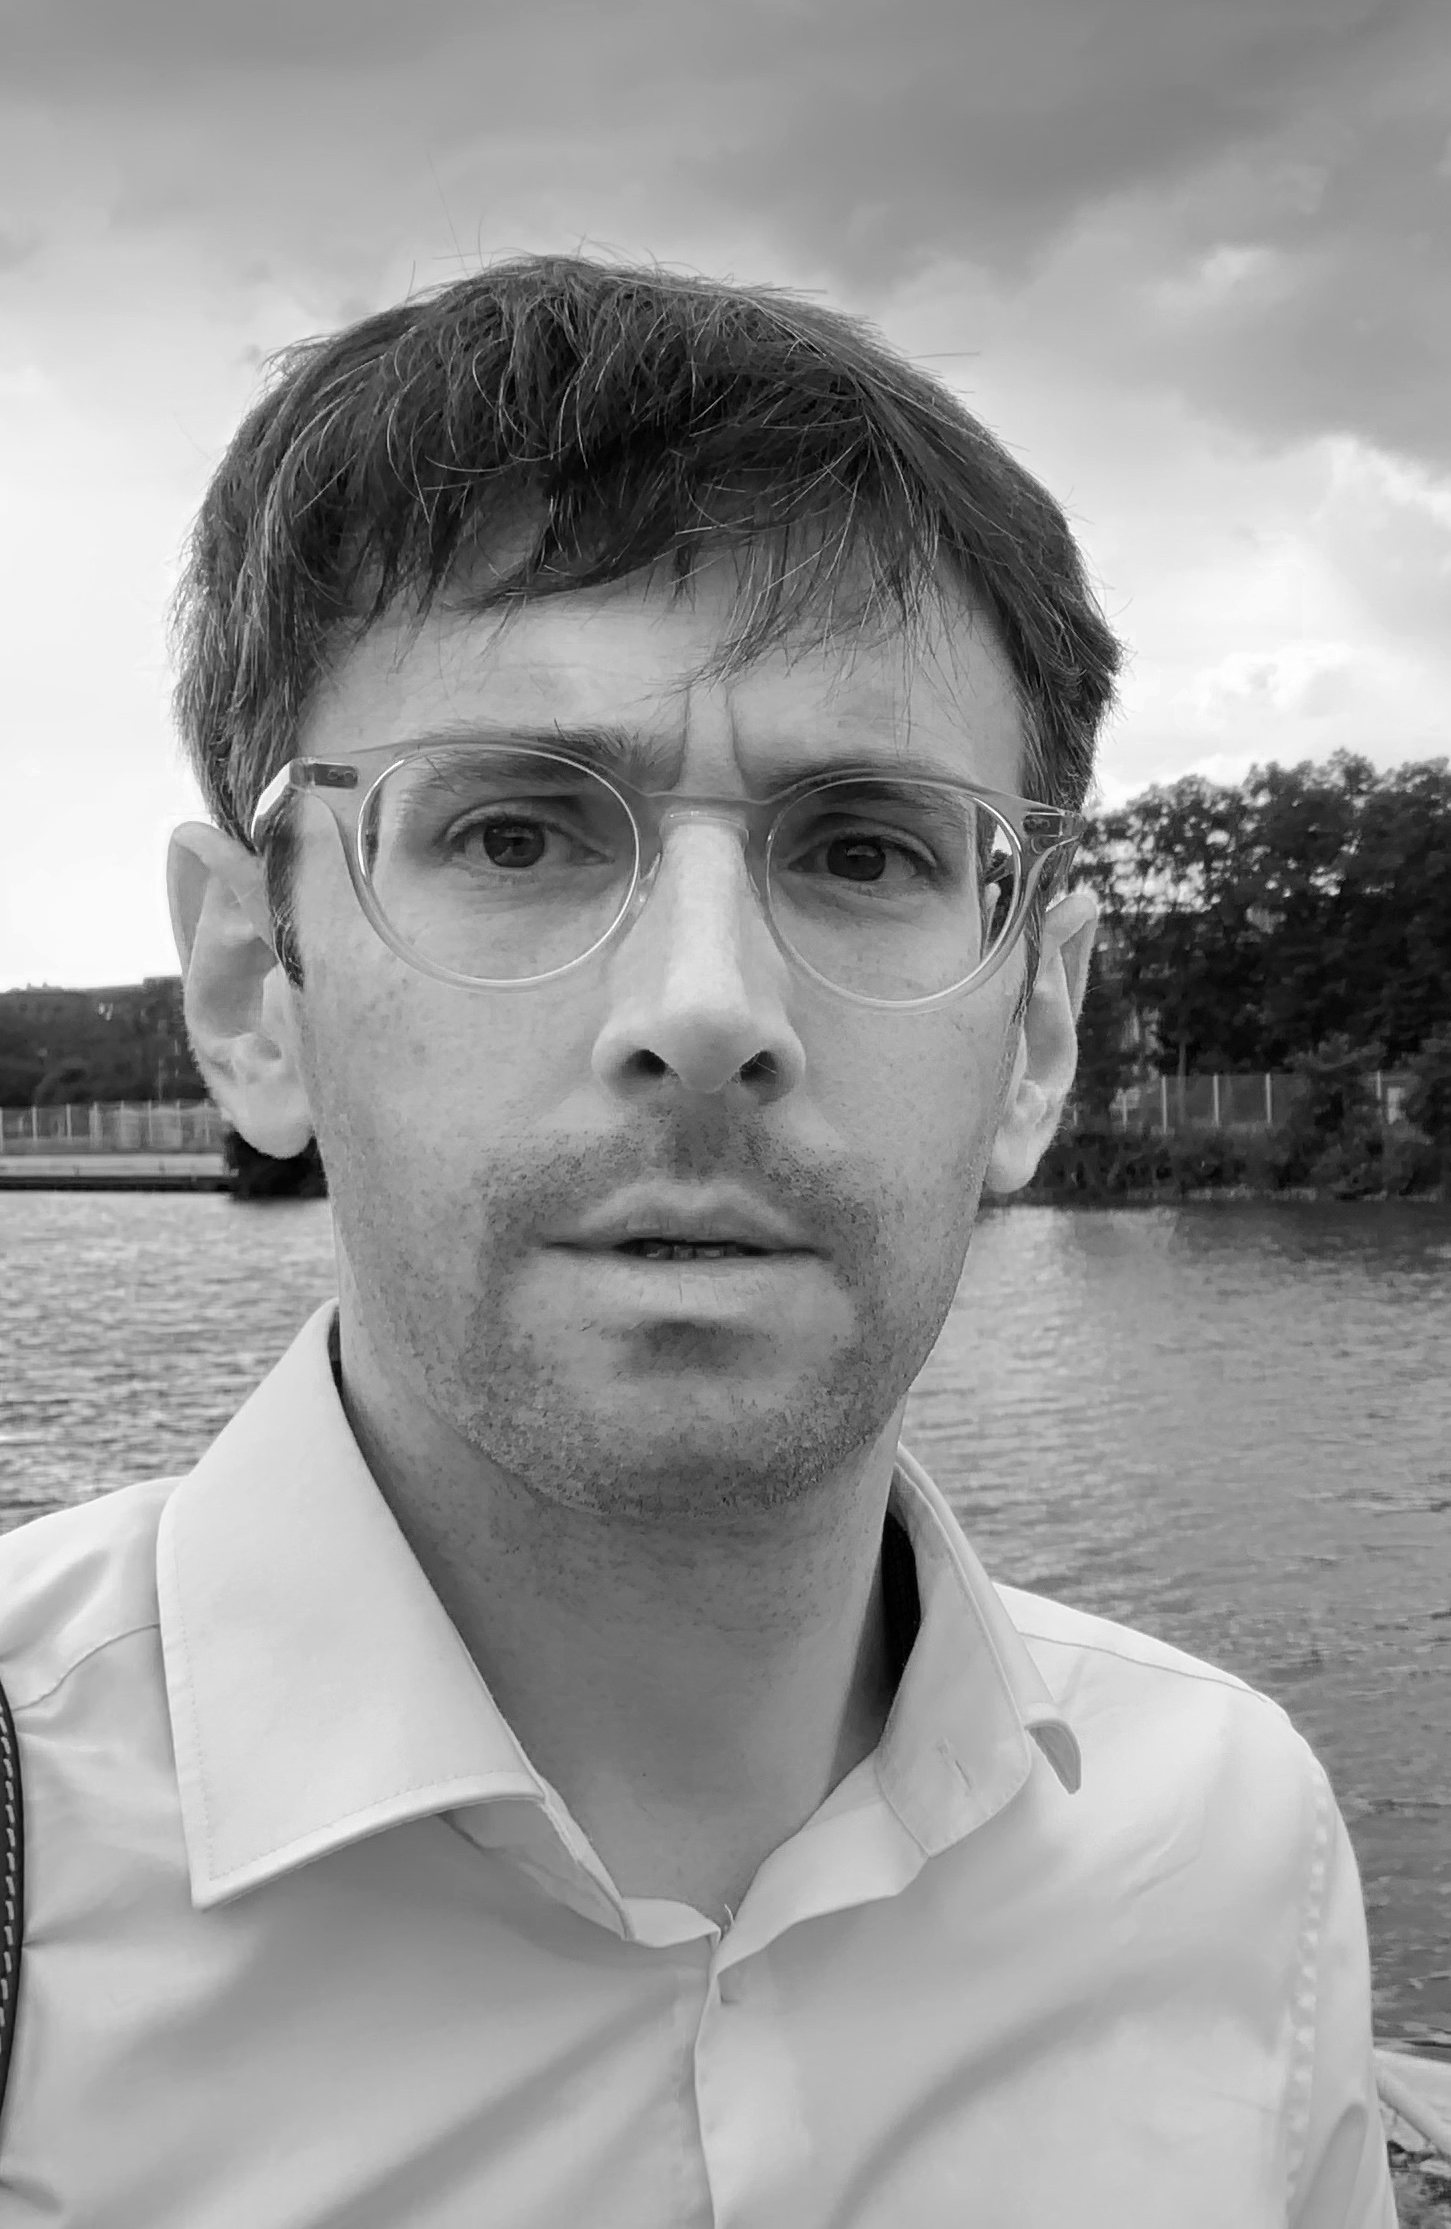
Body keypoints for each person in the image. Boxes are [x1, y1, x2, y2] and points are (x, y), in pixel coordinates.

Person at [0, 258, 1394, 2227]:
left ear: (1038, 1030)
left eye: (864, 848)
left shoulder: (1235, 1854)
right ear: (251, 987)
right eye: (514, 832)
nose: (710, 1002)